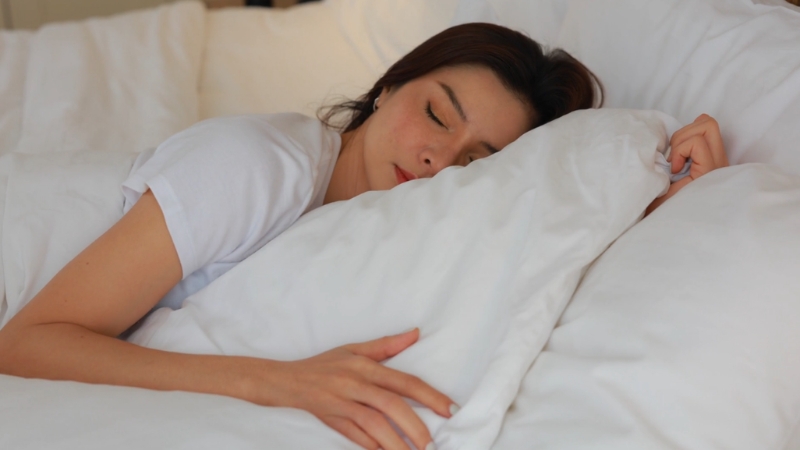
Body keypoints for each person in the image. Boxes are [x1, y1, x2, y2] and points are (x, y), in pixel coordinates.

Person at [0, 23, 727, 450]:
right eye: (437, 115)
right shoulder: (259, 167)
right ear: (387, 86)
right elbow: (26, 340)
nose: (439, 159)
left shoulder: (393, 226)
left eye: (479, 161)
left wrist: (666, 195)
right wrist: (276, 383)